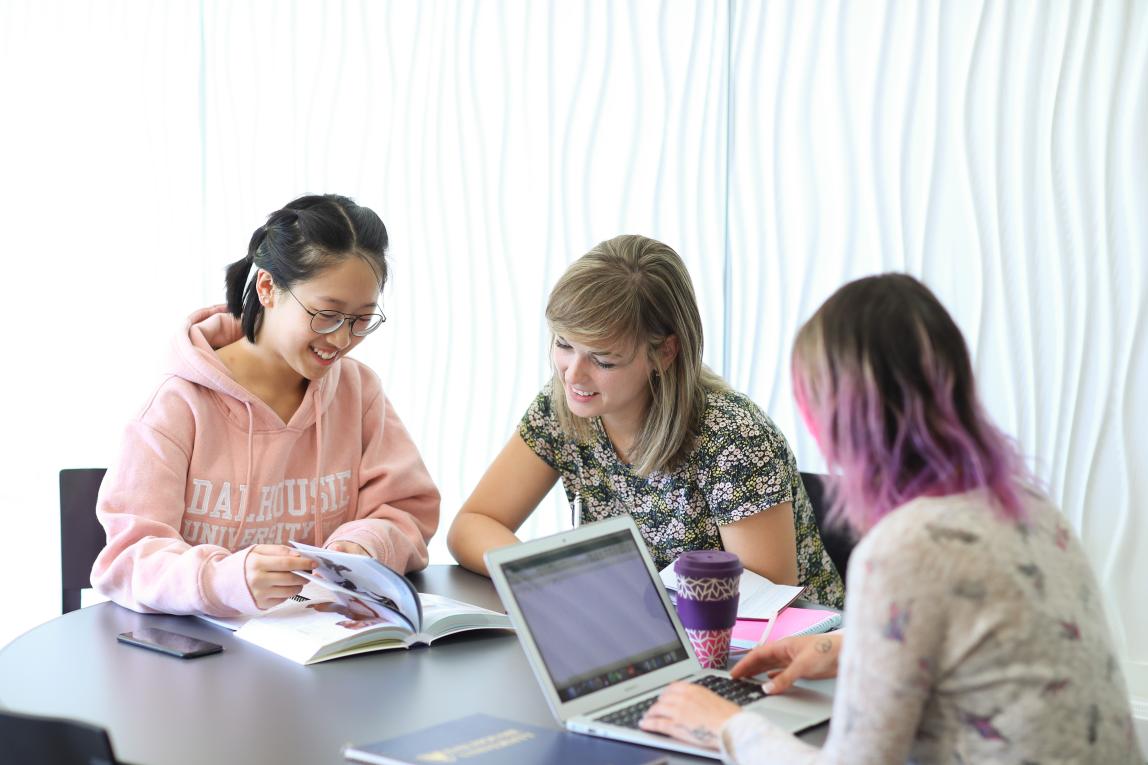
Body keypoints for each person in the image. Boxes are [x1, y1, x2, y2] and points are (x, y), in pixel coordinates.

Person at [640, 274, 1139, 763]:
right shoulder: (1027, 504)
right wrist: (848, 646)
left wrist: (726, 724)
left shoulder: (906, 547)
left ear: (835, 416)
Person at [447, 235, 844, 608]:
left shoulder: (734, 438)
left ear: (664, 352)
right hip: (642, 638)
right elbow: (473, 525)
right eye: (564, 345)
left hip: (794, 661)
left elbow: (765, 606)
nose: (572, 374)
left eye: (603, 360)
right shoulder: (563, 409)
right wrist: (552, 575)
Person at [92, 194, 440, 617]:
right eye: (327, 314)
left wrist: (362, 546)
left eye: (362, 320)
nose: (343, 339)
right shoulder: (177, 405)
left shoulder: (357, 391)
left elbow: (406, 509)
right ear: (267, 288)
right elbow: (128, 559)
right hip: (200, 663)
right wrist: (222, 579)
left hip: (322, 651)